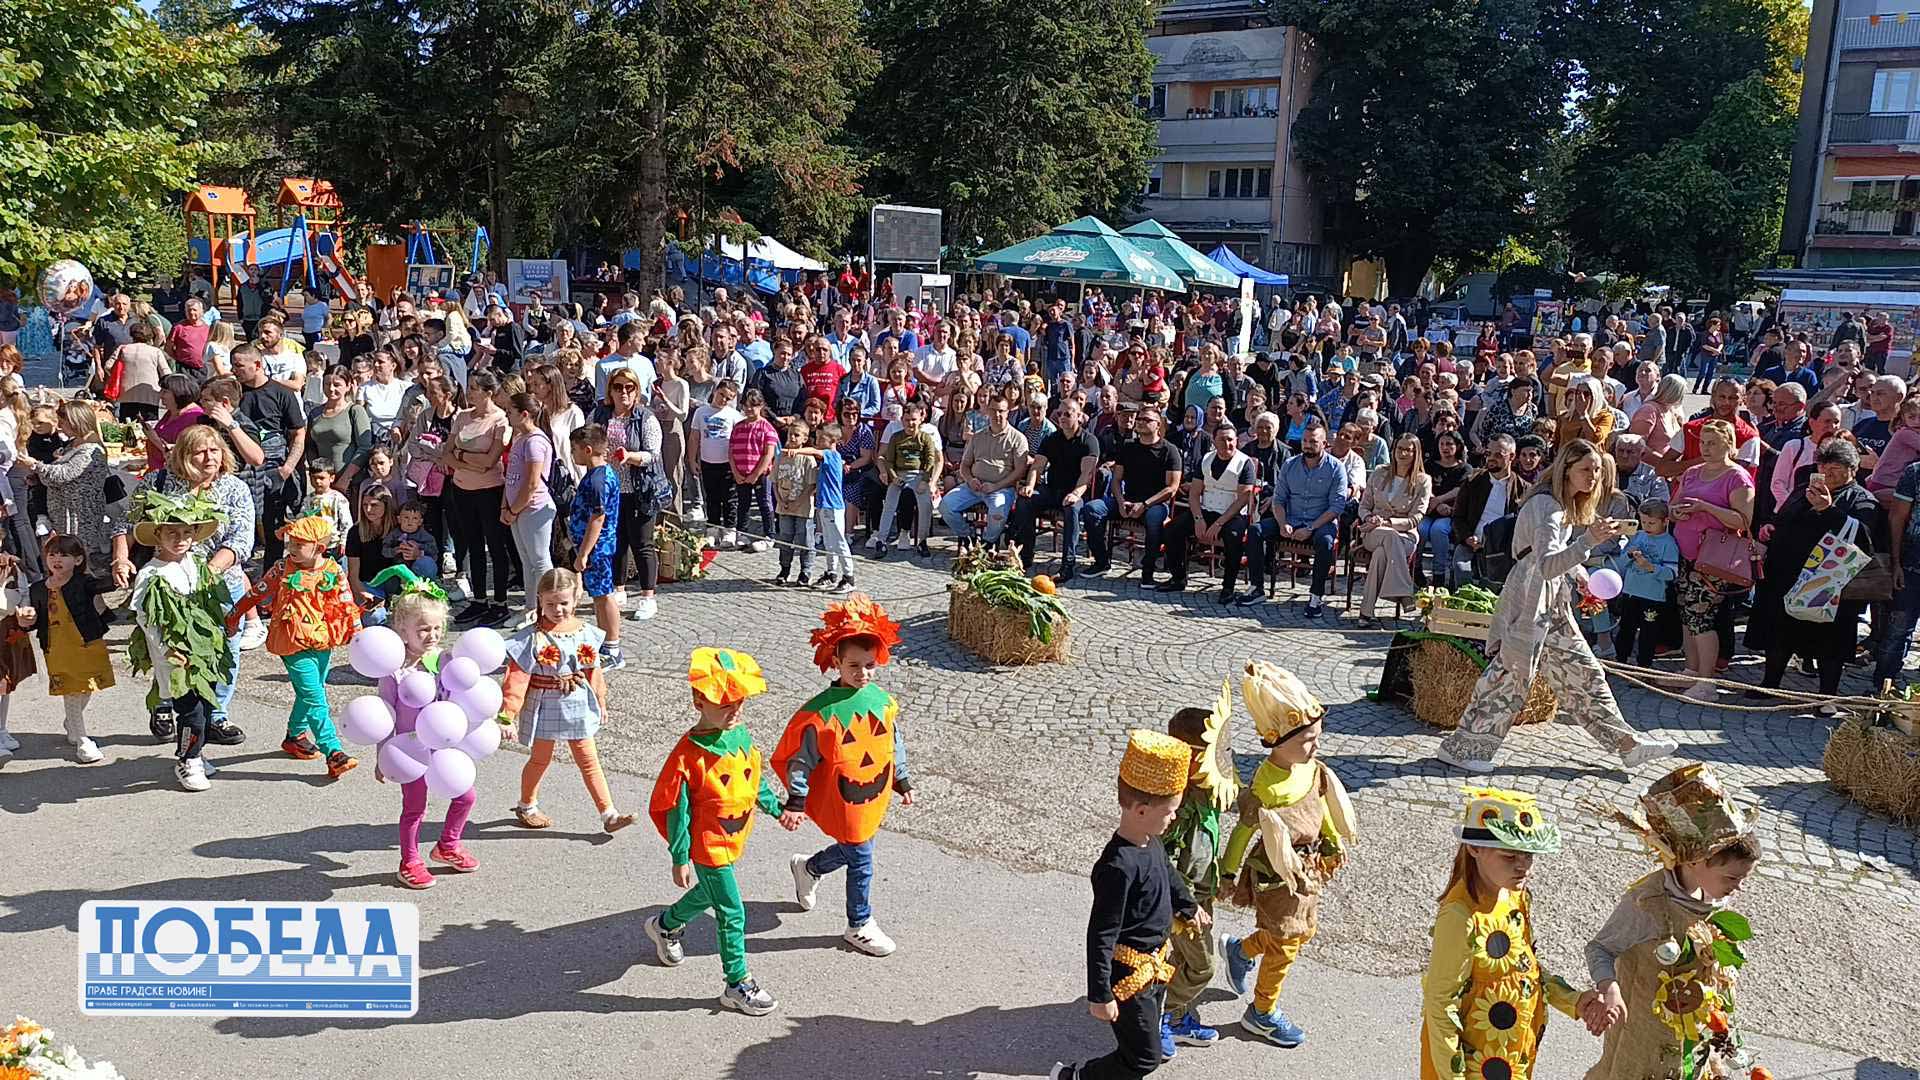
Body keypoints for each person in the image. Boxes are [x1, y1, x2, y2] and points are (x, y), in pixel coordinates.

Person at [1436, 440, 1678, 774]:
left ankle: (1627, 745)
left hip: (1549, 600)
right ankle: (1462, 748)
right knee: (1511, 674)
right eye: (1586, 469)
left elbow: (1555, 556)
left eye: (1597, 470)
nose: (1593, 477)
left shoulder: (1559, 504)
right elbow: (1547, 564)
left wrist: (1579, 573)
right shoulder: (1547, 506)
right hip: (1530, 598)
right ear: (1566, 469)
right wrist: (1588, 542)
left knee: (1584, 671)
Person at [644, 647, 800, 1016]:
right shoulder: (688, 756)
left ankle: (665, 925)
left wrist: (778, 809)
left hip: (732, 837)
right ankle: (737, 983)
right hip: (707, 845)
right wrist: (680, 857)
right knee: (732, 911)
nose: (736, 711)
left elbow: (752, 780)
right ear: (699, 702)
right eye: (726, 704)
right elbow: (677, 810)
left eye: (740, 702)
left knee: (710, 893)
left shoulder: (739, 735)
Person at [1583, 765, 1764, 1079]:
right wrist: (1609, 988)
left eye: (1743, 878)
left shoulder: (1715, 897)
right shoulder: (1648, 903)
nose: (1739, 888)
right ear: (1695, 861)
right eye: (1731, 878)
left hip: (1694, 1042)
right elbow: (1600, 948)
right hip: (1642, 1042)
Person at [1046, 729, 1199, 1080]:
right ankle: (1077, 1077)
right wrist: (1099, 994)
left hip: (1156, 968)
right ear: (1142, 810)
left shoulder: (1151, 841)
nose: (1174, 818)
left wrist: (1188, 905)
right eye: (1170, 811)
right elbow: (1101, 934)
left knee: (1143, 1047)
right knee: (1143, 1059)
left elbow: (1167, 874)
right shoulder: (1117, 867)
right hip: (1129, 977)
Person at [1217, 661, 1355, 1048]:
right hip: (1277, 875)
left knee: (1300, 932)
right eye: (1307, 740)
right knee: (1287, 942)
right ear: (1276, 740)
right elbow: (1243, 832)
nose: (1315, 746)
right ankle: (1261, 1013)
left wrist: (1332, 839)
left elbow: (1319, 806)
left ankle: (1241, 951)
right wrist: (1228, 874)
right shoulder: (1266, 786)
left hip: (1308, 868)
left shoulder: (1310, 767)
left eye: (1318, 736)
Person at [1420, 788, 1596, 1080]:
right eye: (1509, 855)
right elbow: (1440, 1006)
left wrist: (1573, 1000)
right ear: (1474, 849)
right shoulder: (1460, 917)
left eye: (1529, 855)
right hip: (1474, 1065)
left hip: (1509, 1057)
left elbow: (1524, 967)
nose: (1523, 866)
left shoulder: (1515, 896)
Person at [776, 597, 914, 956]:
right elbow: (800, 760)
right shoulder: (820, 714)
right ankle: (859, 923)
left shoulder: (881, 701)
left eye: (870, 666)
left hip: (871, 794)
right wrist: (796, 800)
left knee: (857, 848)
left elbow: (892, 741)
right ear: (836, 662)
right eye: (854, 665)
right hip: (844, 797)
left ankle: (810, 868)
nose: (863, 673)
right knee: (862, 856)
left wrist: (901, 778)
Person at [224, 513, 361, 780]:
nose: (292, 548)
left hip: (322, 640)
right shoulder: (281, 568)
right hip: (291, 641)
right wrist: (233, 616)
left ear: (319, 548)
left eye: (299, 544)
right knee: (315, 697)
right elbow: (256, 593)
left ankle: (295, 736)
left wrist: (358, 634)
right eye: (291, 542)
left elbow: (347, 603)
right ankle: (333, 751)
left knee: (311, 691)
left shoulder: (333, 570)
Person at [367, 570, 482, 888]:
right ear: (402, 630)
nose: (431, 635)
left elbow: (467, 696)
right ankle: (409, 861)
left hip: (445, 748)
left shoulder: (445, 660)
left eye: (436, 628)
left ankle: (448, 845)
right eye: (423, 629)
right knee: (414, 807)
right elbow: (384, 716)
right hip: (410, 750)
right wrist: (383, 757)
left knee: (466, 796)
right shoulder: (393, 670)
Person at [500, 566, 637, 832]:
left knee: (589, 759)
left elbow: (593, 671)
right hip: (545, 704)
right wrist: (508, 715)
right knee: (540, 759)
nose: (558, 609)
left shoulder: (585, 632)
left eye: (563, 603)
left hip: (577, 701)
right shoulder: (532, 637)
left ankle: (609, 814)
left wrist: (600, 700)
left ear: (576, 599)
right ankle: (527, 805)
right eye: (550, 603)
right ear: (540, 600)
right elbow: (516, 679)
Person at [125, 491, 238, 790]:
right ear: (158, 534)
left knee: (207, 704)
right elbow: (147, 619)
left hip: (203, 652)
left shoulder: (195, 563)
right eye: (172, 533)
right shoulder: (151, 573)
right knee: (191, 711)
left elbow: (207, 602)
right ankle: (187, 760)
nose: (180, 539)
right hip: (176, 657)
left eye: (187, 533)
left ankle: (196, 753)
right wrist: (168, 649)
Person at [1755, 439, 1880, 705]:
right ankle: (1770, 684)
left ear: (1852, 469)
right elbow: (1785, 516)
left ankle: (1827, 696)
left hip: (1831, 583)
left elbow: (1865, 537)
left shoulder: (1861, 498)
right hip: (1788, 575)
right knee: (1779, 633)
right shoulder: (1805, 488)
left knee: (1830, 643)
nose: (1827, 473)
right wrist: (1772, 528)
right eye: (1823, 467)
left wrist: (1828, 510)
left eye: (1835, 468)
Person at [1155, 687, 1237, 1049]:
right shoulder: (1178, 808)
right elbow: (1165, 865)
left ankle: (1175, 1016)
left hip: (1203, 895)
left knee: (1181, 960)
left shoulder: (1207, 792)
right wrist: (1185, 906)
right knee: (1203, 967)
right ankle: (1160, 1016)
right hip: (1183, 903)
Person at [1669, 421, 1756, 700]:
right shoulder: (1692, 472)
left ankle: (1707, 682)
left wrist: (1706, 507)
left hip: (1713, 559)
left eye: (1713, 443)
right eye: (1703, 443)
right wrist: (1677, 512)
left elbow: (1743, 520)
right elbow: (1674, 506)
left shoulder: (1737, 477)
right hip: (1685, 554)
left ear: (1729, 445)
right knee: (1686, 614)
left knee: (1701, 617)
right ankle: (1691, 670)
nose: (1706, 448)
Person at [28, 533, 115, 765]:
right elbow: (33, 620)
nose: (57, 559)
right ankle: (83, 741)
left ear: (77, 560)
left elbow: (106, 584)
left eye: (64, 555)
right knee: (72, 690)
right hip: (57, 647)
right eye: (52, 554)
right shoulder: (37, 589)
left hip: (87, 643)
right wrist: (27, 619)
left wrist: (122, 569)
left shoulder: (83, 582)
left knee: (87, 688)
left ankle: (72, 722)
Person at [444, 370, 514, 627]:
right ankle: (479, 599)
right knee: (472, 545)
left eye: (475, 388)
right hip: (462, 489)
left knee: (495, 545)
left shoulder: (500, 419)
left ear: (488, 392)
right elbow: (447, 454)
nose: (469, 392)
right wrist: (467, 460)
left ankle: (500, 601)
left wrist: (462, 456)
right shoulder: (462, 416)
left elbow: (490, 461)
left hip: (490, 490)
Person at [1161, 420, 1257, 602]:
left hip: (1233, 514)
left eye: (1230, 440)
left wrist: (1219, 524)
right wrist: (1198, 519)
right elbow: (1195, 493)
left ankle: (1228, 587)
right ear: (1214, 441)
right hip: (1207, 509)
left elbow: (1243, 498)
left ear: (1236, 440)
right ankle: (1178, 577)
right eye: (1222, 440)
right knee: (1173, 529)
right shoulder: (1206, 460)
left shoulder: (1245, 463)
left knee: (1233, 536)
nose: (1227, 444)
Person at [1085, 409, 1184, 584]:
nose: (1140, 422)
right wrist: (1121, 502)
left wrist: (1144, 505)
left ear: (1158, 425)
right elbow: (1116, 479)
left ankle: (1148, 572)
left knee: (1154, 517)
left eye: (1146, 419)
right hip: (1127, 500)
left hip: (1155, 503)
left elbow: (1172, 488)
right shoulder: (1128, 447)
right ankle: (1101, 561)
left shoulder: (1170, 450)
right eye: (1139, 419)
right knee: (1092, 508)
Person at [1011, 399, 1101, 581]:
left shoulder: (1089, 441)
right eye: (1060, 414)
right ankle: (1025, 555)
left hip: (1076, 492)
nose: (1062, 418)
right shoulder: (1052, 438)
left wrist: (1075, 494)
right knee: (1025, 500)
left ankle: (1068, 565)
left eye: (1068, 414)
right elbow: (1037, 466)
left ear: (1079, 416)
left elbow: (1087, 474)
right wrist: (1030, 486)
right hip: (1052, 490)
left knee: (1072, 508)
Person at [1266, 421, 1347, 617]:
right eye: (1305, 441)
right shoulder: (1290, 465)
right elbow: (1278, 499)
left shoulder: (1336, 468)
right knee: (1256, 531)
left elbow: (1336, 507)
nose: (1308, 445)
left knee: (1326, 542)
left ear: (1324, 444)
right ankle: (1256, 588)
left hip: (1320, 522)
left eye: (1313, 442)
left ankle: (1316, 596)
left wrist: (1310, 528)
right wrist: (1282, 523)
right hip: (1291, 520)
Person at [566, 426, 627, 669]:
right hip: (595, 547)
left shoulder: (599, 479)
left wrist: (583, 553)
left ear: (588, 449)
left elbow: (597, 518)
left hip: (597, 548)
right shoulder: (596, 474)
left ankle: (613, 648)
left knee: (603, 596)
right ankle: (605, 642)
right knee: (598, 597)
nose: (572, 454)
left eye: (574, 449)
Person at [1356, 434, 1431, 625]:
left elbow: (1416, 518)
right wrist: (1369, 518)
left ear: (1416, 453)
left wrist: (1388, 523)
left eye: (1408, 450)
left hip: (1405, 535)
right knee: (1387, 538)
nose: (1402, 453)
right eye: (1399, 449)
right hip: (1374, 532)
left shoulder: (1423, 481)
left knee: (1381, 554)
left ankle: (1366, 612)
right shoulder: (1379, 472)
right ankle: (1404, 592)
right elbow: (1363, 506)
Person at [940, 396, 1030, 550]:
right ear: (988, 411)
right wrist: (970, 480)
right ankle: (967, 535)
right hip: (973, 486)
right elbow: (965, 465)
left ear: (1007, 412)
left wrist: (996, 486)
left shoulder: (1018, 438)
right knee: (945, 506)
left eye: (1001, 411)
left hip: (1001, 488)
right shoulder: (977, 437)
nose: (997, 415)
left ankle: (988, 542)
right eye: (993, 410)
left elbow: (1019, 471)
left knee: (998, 512)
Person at [501, 393, 556, 618]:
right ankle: (531, 607)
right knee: (527, 561)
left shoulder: (535, 441)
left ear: (524, 414)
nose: (507, 415)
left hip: (534, 508)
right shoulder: (520, 438)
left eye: (510, 412)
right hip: (518, 509)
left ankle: (549, 607)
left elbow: (532, 482)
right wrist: (506, 507)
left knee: (540, 560)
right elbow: (511, 477)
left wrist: (514, 509)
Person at [1608, 500, 1680, 666]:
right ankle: (1620, 661)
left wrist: (1650, 567)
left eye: (1652, 523)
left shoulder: (1669, 543)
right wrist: (1629, 555)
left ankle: (1644, 666)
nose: (1647, 526)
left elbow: (1672, 573)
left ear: (1665, 521)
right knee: (1626, 629)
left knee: (1648, 633)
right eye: (1644, 522)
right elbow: (1623, 560)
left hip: (1652, 596)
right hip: (1631, 592)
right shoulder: (1639, 536)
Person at [871, 397, 941, 559]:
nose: (910, 423)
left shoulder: (925, 438)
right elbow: (888, 460)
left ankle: (922, 541)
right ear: (902, 420)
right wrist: (893, 476)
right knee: (889, 504)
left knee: (925, 505)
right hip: (900, 475)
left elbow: (930, 460)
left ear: (921, 419)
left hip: (919, 475)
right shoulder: (896, 437)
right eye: (907, 420)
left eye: (914, 420)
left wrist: (926, 480)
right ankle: (881, 540)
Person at [769, 418, 819, 586]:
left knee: (805, 540)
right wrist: (779, 500)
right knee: (785, 539)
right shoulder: (780, 457)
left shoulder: (808, 459)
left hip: (802, 508)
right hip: (784, 506)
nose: (792, 438)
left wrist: (797, 502)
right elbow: (774, 481)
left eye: (796, 435)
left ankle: (806, 571)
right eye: (790, 434)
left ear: (804, 438)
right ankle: (784, 569)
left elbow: (811, 485)